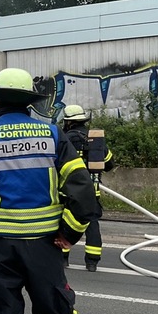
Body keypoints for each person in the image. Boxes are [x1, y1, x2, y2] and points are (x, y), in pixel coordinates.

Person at [0, 68, 98, 314]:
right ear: (30, 102)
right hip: (46, 244)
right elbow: (83, 194)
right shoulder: (52, 135)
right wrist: (69, 233)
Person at [61, 105, 115, 272]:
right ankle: (92, 261)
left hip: (68, 192)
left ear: (68, 122)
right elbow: (109, 164)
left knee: (64, 223)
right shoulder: (95, 141)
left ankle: (63, 259)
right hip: (92, 191)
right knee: (92, 224)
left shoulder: (64, 139)